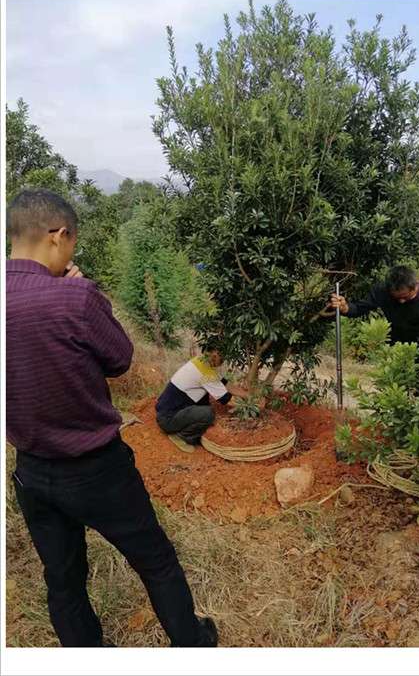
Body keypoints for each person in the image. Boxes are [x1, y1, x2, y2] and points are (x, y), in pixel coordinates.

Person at [6, 188, 217, 648]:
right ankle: (194, 646)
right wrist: (83, 289)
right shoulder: (75, 297)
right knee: (156, 561)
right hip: (97, 469)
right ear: (58, 236)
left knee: (62, 581)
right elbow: (119, 359)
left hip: (31, 472)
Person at [156, 347, 250, 453]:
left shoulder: (200, 362)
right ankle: (182, 436)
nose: (222, 362)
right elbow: (226, 400)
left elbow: (226, 384)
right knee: (208, 414)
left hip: (166, 411)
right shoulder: (205, 373)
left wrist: (247, 395)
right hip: (169, 419)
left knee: (204, 400)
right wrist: (252, 404)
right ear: (214, 356)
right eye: (222, 358)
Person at [329, 265, 419, 346]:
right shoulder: (381, 291)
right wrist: (344, 308)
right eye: (397, 298)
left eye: (406, 297)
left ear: (416, 287)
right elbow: (359, 308)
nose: (401, 302)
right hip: (396, 345)